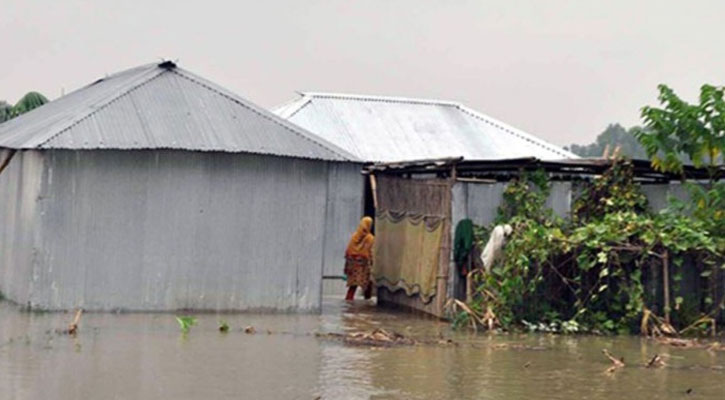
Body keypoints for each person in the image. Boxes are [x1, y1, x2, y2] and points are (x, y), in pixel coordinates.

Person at [344, 216, 375, 301]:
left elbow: (349, 250)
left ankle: (349, 300)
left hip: (352, 264)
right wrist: (372, 262)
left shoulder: (355, 236)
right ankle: (367, 300)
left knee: (353, 285)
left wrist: (347, 265)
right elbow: (370, 251)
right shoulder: (370, 238)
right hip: (363, 264)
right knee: (367, 282)